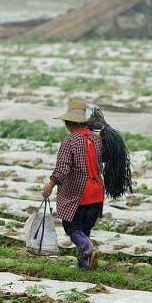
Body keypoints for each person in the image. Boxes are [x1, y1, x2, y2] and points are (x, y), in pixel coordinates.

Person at [43, 100, 105, 271]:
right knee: (84, 231)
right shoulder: (96, 140)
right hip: (97, 193)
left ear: (69, 123)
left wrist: (50, 184)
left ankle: (88, 249)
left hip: (79, 195)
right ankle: (84, 265)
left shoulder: (70, 141)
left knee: (72, 228)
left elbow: (62, 167)